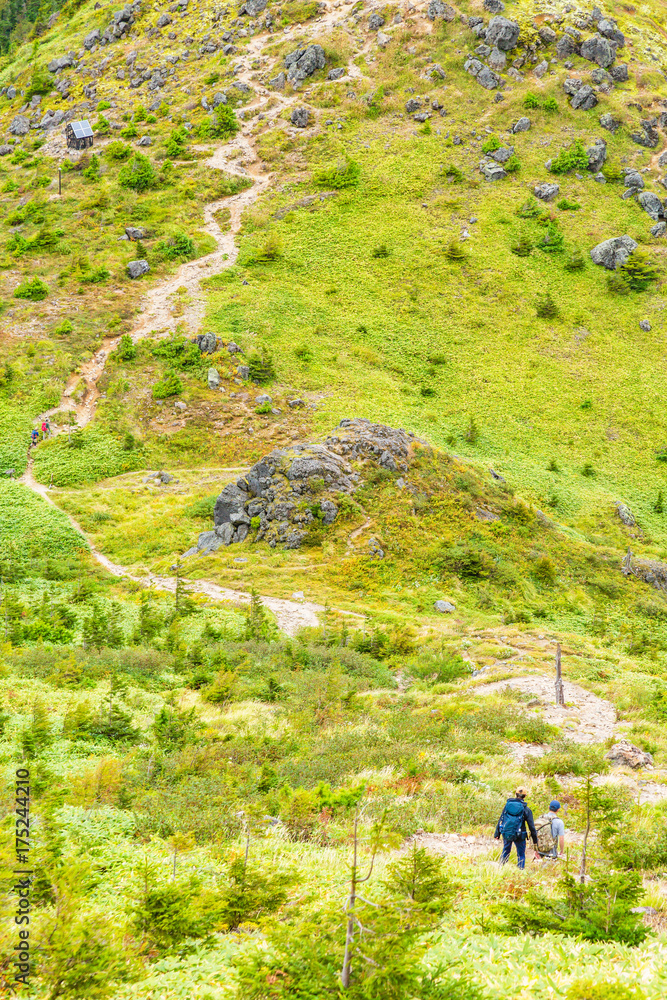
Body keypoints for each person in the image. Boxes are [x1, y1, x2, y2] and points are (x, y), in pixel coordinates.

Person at [494, 786, 539, 869]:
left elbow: (501, 819)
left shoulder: (507, 806)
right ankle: (520, 872)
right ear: (525, 796)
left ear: (515, 794)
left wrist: (497, 833)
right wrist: (535, 840)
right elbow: (531, 827)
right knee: (521, 854)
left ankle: (501, 868)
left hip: (507, 832)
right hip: (520, 834)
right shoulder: (526, 809)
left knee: (506, 851)